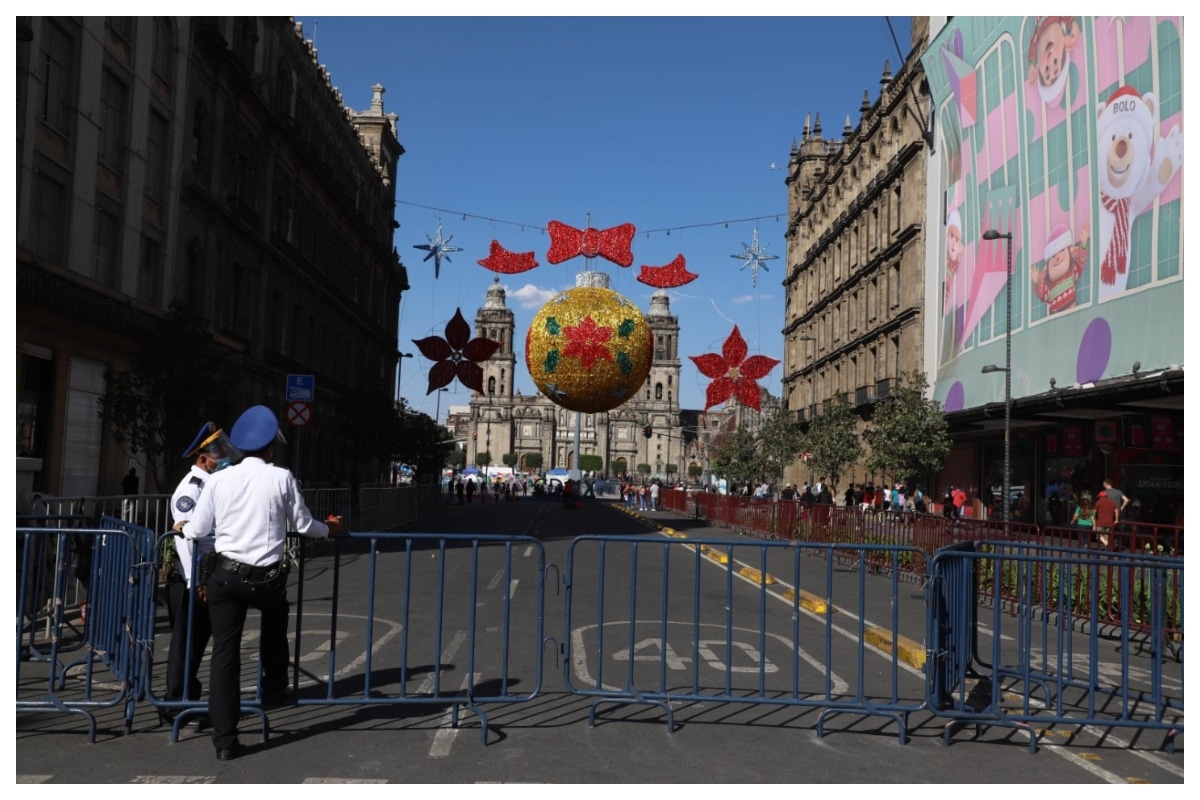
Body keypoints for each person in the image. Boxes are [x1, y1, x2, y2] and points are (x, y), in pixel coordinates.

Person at [177, 405, 343, 761]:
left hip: (225, 578)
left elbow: (198, 529)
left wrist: (182, 528)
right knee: (276, 616)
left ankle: (225, 740)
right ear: (270, 448)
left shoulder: (219, 478)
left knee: (225, 654)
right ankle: (275, 686)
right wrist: (329, 528)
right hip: (265, 579)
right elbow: (302, 524)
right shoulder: (281, 477)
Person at [162, 421, 240, 728]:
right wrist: (198, 581)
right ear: (201, 458)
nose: (222, 456)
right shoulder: (190, 490)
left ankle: (187, 700)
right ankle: (175, 705)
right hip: (195, 579)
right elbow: (187, 541)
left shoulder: (210, 484)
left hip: (207, 576)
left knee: (196, 644)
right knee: (187, 645)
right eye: (216, 452)